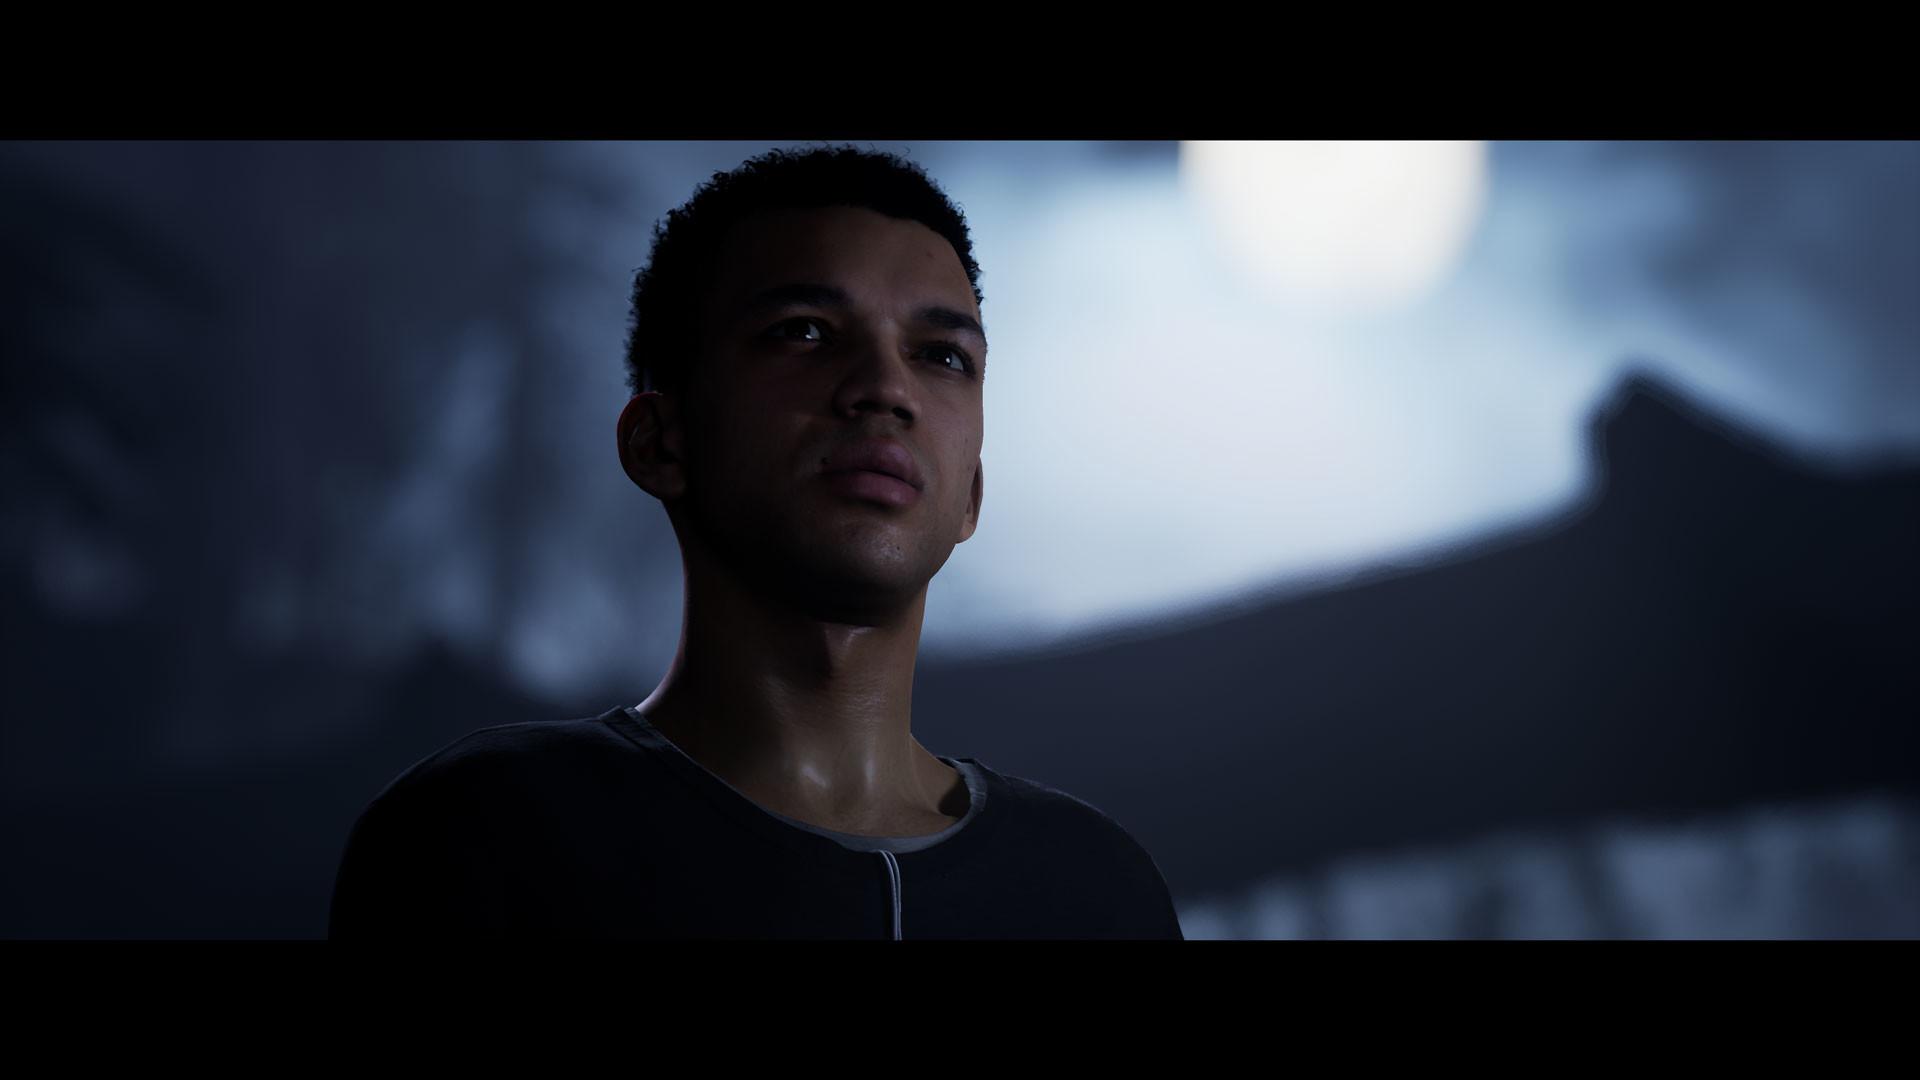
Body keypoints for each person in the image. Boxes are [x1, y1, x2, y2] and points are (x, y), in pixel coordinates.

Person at [327, 145, 1185, 939]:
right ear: (659, 443)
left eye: (941, 355)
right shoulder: (490, 834)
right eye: (805, 330)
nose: (886, 388)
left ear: (971, 496)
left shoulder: (1097, 888)